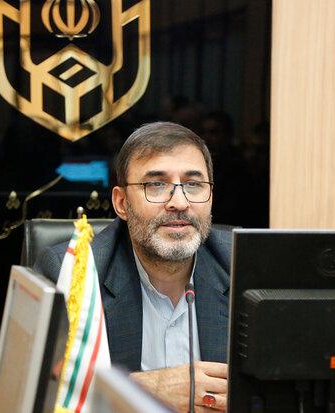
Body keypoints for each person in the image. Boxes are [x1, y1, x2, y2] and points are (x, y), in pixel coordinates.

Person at [35, 121, 232, 412]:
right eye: (156, 185)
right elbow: (17, 386)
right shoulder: (76, 272)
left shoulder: (242, 267)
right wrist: (145, 388)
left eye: (193, 184)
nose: (179, 202)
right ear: (121, 203)